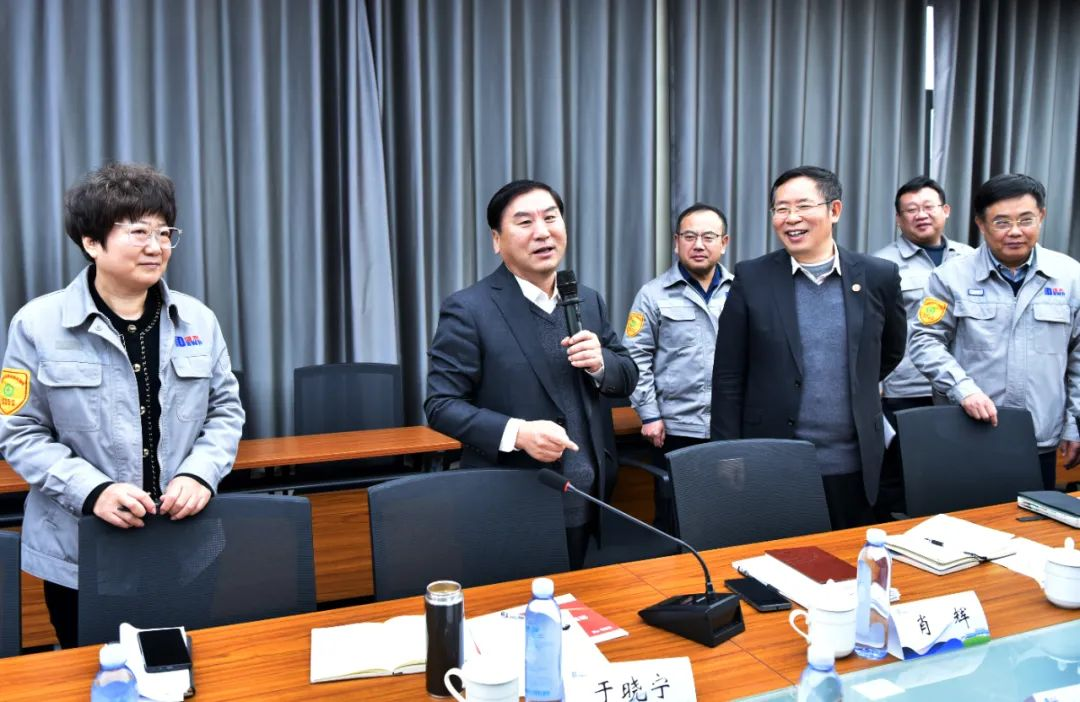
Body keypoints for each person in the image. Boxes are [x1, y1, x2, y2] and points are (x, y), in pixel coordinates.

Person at [0, 162, 245, 647]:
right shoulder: (37, 324)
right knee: (94, 672)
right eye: (138, 232)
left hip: (185, 544)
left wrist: (200, 474)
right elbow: (19, 431)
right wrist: (93, 491)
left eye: (164, 232)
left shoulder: (198, 319)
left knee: (184, 666)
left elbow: (225, 411)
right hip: (83, 549)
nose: (156, 246)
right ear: (92, 242)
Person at [424, 179, 637, 568]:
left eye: (551, 218)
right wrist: (518, 433)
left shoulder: (587, 300)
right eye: (524, 222)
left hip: (588, 497)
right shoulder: (469, 309)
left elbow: (627, 375)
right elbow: (441, 404)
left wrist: (602, 363)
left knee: (576, 603)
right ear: (497, 240)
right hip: (513, 499)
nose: (542, 232)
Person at [710, 166, 906, 529]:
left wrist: (854, 382)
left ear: (834, 210)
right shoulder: (752, 277)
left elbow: (891, 349)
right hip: (773, 457)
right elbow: (727, 376)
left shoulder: (878, 275)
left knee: (849, 554)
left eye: (803, 206)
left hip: (854, 462)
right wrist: (727, 454)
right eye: (781, 209)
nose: (791, 218)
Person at [907, 173, 1080, 490]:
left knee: (1032, 519)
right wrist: (963, 390)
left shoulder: (1070, 276)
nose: (1015, 231)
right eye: (1001, 222)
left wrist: (1074, 422)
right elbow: (924, 340)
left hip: (1039, 435)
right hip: (967, 433)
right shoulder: (950, 277)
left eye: (1026, 220)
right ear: (981, 224)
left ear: (1041, 216)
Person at [623, 203, 734, 530]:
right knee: (675, 514)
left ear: (724, 243)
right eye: (689, 236)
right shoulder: (652, 295)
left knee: (728, 512)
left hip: (729, 427)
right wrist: (649, 414)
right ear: (676, 242)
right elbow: (634, 357)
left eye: (708, 237)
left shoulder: (740, 291)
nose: (699, 245)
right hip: (674, 428)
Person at [871, 177, 974, 516]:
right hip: (906, 388)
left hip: (965, 389)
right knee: (900, 477)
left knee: (955, 474)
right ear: (898, 219)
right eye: (911, 209)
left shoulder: (972, 260)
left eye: (929, 207)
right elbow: (872, 331)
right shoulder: (880, 265)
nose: (921, 215)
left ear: (946, 210)